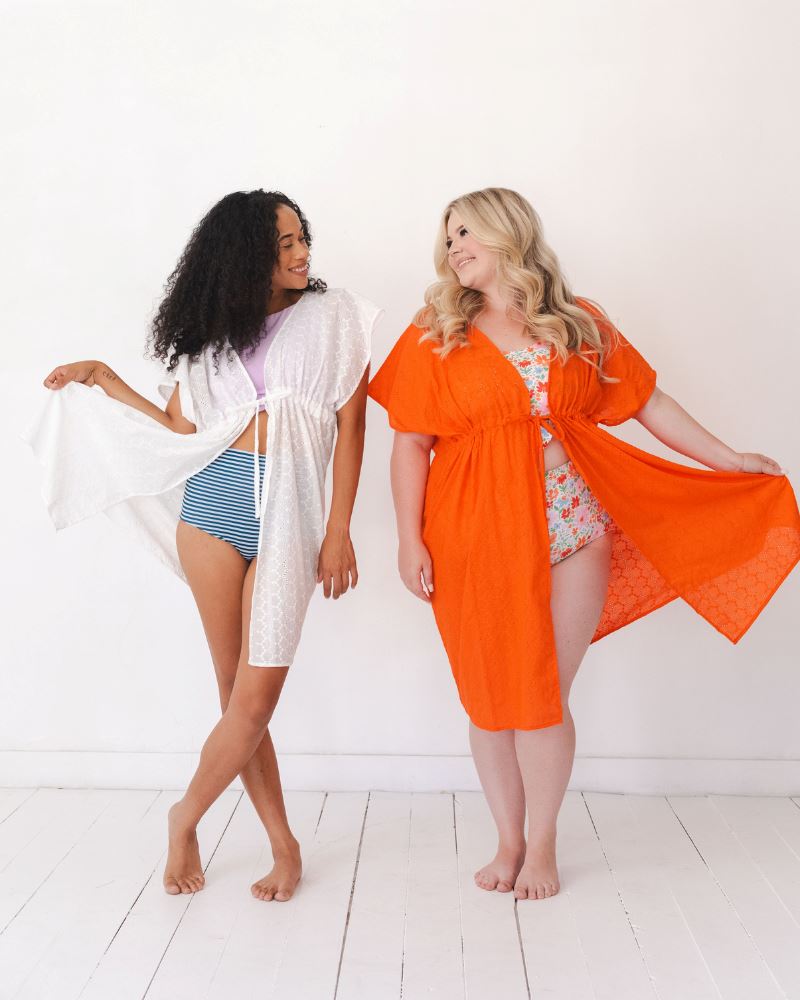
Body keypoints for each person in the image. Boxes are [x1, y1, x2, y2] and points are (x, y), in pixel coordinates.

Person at [368, 186, 800, 902]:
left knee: (542, 694)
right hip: (473, 536)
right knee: (489, 701)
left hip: (573, 529)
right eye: (447, 239)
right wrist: (408, 540)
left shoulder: (576, 324)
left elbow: (647, 402)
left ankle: (541, 843)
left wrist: (726, 459)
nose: (453, 249)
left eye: (465, 232)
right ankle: (506, 838)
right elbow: (410, 444)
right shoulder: (434, 333)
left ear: (508, 232)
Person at [26, 189, 383, 900]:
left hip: (290, 515)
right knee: (235, 699)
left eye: (301, 237)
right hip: (212, 511)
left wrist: (340, 527)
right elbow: (180, 435)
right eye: (283, 242)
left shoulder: (335, 317)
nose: (301, 251)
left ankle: (184, 815)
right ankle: (284, 846)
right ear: (244, 251)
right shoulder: (212, 339)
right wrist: (105, 378)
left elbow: (353, 429)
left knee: (254, 701)